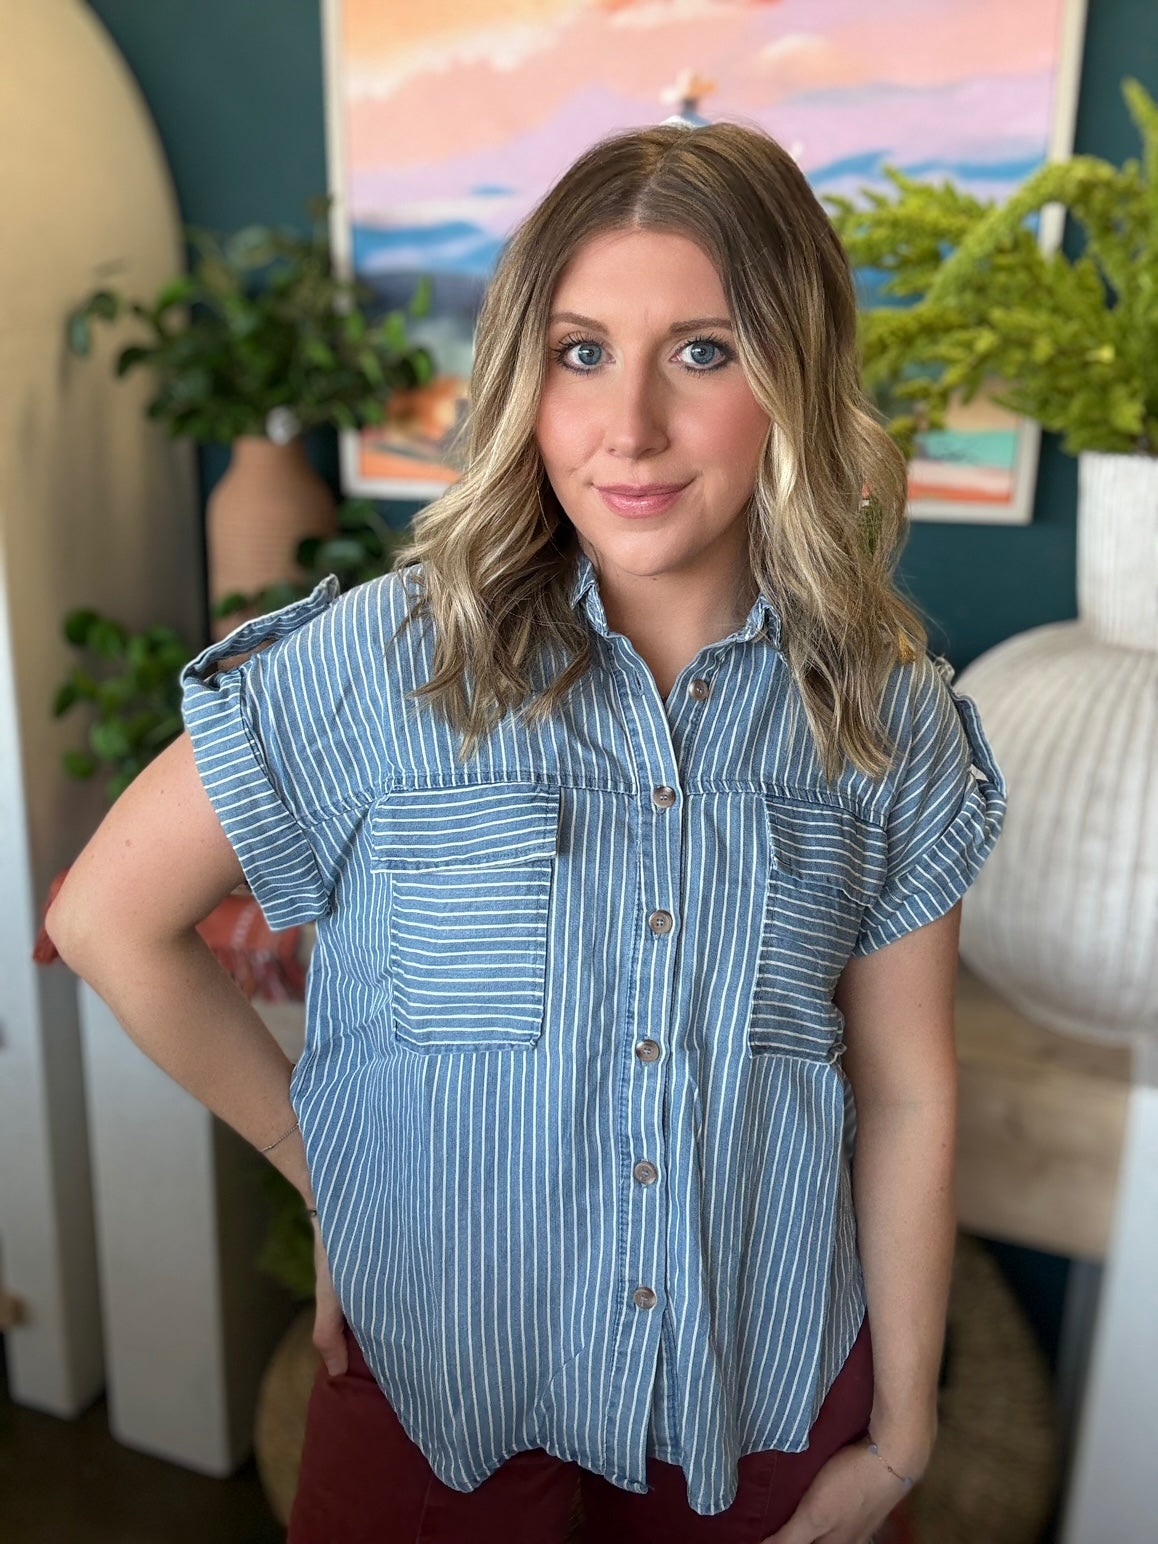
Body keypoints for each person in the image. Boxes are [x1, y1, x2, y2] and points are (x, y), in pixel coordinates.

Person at [47, 121, 1006, 1544]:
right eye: (577, 352)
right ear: (524, 378)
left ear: (792, 377)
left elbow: (911, 1095)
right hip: (435, 1406)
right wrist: (331, 1184)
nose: (627, 427)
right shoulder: (382, 663)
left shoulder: (884, 719)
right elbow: (107, 924)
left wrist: (900, 1439)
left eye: (701, 350)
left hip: (759, 1415)